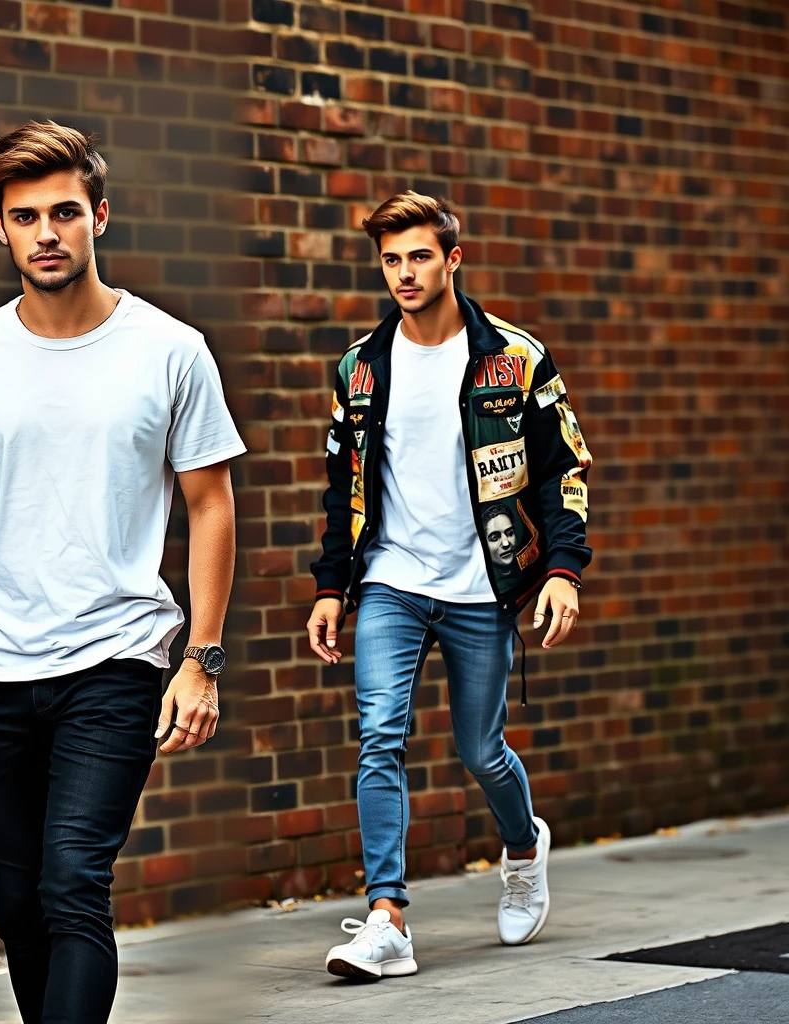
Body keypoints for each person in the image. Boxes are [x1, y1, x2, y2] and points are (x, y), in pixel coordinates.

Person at [0, 120, 245, 1023]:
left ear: (100, 214)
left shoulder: (169, 350)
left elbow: (210, 504)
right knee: (18, 905)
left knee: (70, 885)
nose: (47, 232)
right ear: (1, 230)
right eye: (25, 217)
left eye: (65, 211)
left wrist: (200, 661)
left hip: (117, 659)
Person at [306, 191, 592, 979]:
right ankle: (387, 917)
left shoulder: (515, 359)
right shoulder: (360, 369)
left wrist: (563, 572)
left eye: (419, 256)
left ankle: (525, 846)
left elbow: (562, 472)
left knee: (480, 748)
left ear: (453, 259)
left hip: (480, 586)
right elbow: (343, 490)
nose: (404, 272)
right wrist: (332, 586)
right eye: (391, 259)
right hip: (392, 582)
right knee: (380, 737)